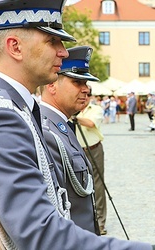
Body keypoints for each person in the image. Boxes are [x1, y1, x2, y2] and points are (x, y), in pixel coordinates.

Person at [0, 0, 155, 249]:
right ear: (15, 47)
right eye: (52, 41)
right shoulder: (2, 115)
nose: (63, 52)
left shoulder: (4, 105)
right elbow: (40, 234)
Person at [40, 46, 100, 234]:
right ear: (52, 85)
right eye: (77, 82)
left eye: (86, 84)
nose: (86, 90)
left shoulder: (61, 125)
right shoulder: (46, 131)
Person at [76, 88, 108, 236]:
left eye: (88, 94)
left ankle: (101, 222)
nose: (85, 97)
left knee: (98, 185)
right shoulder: (74, 108)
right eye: (83, 94)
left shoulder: (96, 109)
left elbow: (90, 123)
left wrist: (75, 117)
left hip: (94, 150)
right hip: (77, 151)